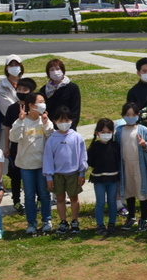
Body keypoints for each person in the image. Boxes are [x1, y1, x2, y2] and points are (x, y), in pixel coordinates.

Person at [9, 91, 55, 234]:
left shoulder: (45, 120)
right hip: (26, 165)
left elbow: (51, 137)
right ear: (30, 105)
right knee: (29, 195)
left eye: (43, 102)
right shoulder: (22, 121)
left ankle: (47, 220)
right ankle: (31, 223)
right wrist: (20, 121)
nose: (43, 105)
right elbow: (14, 138)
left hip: (42, 165)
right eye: (39, 102)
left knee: (44, 194)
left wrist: (46, 123)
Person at [43, 106, 87, 234]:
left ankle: (74, 221)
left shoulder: (77, 137)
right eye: (61, 120)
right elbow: (48, 158)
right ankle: (63, 221)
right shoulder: (52, 139)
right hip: (57, 174)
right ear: (55, 121)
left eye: (67, 120)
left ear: (72, 121)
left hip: (74, 173)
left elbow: (82, 156)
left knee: (74, 197)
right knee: (60, 198)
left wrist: (82, 172)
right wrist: (49, 176)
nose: (64, 123)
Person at [0, 56, 27, 211]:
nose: (14, 68)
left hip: (28, 133)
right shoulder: (0, 85)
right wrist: (23, 110)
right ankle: (13, 197)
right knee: (11, 165)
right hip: (10, 129)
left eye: (17, 65)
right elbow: (6, 107)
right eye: (11, 65)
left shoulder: (25, 82)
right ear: (6, 67)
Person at [117, 102, 147, 231]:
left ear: (138, 115)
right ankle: (131, 216)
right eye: (127, 115)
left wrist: (145, 145)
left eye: (133, 114)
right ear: (123, 115)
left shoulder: (143, 130)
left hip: (140, 166)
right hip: (125, 165)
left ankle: (144, 218)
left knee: (142, 191)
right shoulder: (119, 131)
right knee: (129, 191)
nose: (130, 117)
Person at [87, 118, 121, 236]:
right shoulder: (94, 147)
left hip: (113, 178)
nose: (106, 135)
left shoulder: (115, 146)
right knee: (100, 202)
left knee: (112, 202)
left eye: (108, 132)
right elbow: (90, 161)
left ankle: (112, 223)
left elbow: (118, 161)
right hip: (99, 179)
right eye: (103, 132)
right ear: (97, 133)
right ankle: (100, 225)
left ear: (112, 132)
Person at [40, 58, 82, 126]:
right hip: (49, 127)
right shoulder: (44, 90)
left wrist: (72, 126)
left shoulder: (72, 88)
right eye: (52, 70)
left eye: (57, 69)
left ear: (63, 70)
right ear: (48, 73)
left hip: (67, 125)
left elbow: (75, 110)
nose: (55, 72)